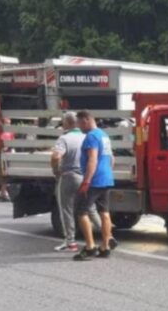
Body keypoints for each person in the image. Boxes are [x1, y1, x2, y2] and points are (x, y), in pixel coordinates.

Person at [50, 112, 103, 252]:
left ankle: (70, 242)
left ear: (67, 123)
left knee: (66, 209)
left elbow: (56, 156)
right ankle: (107, 236)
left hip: (68, 176)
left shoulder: (64, 138)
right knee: (90, 208)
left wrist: (56, 171)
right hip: (85, 177)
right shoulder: (87, 136)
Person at [73, 110, 117, 261]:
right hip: (106, 178)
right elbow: (112, 159)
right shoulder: (104, 135)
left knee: (81, 212)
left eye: (79, 123)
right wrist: (107, 172)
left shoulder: (91, 136)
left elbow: (92, 160)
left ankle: (90, 247)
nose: (79, 127)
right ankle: (105, 247)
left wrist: (86, 181)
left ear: (85, 120)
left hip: (94, 180)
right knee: (104, 212)